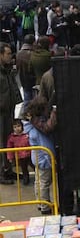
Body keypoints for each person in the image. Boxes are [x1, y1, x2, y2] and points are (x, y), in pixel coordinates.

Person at [24, 96, 57, 214]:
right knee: (45, 183)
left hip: (37, 159)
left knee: (38, 181)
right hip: (44, 160)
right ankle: (45, 205)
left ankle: (40, 202)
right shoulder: (39, 130)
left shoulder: (31, 124)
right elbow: (45, 146)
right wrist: (51, 161)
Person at [0, 42, 22, 185]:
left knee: (8, 140)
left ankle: (7, 169)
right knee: (1, 142)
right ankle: (1, 172)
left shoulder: (7, 70)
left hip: (9, 110)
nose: (10, 56)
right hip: (1, 112)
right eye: (8, 54)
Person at [6, 119, 32, 185]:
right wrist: (10, 157)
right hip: (20, 156)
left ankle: (38, 177)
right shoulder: (12, 137)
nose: (17, 128)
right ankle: (26, 179)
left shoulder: (26, 135)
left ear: (22, 126)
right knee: (24, 169)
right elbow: (9, 148)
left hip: (29, 154)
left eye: (18, 126)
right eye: (15, 127)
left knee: (34, 166)